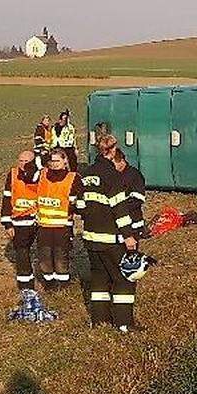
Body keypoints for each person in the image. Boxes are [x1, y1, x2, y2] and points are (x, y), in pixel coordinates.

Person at [79, 138, 148, 330]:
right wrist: (128, 235)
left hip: (91, 238)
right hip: (112, 239)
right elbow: (120, 210)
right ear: (112, 151)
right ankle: (124, 324)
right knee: (124, 279)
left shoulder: (86, 174)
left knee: (99, 279)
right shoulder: (112, 176)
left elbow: (79, 205)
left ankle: (100, 321)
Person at [35, 148, 83, 291]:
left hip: (63, 226)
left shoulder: (73, 178)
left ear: (65, 161)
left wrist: (73, 209)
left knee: (61, 257)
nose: (54, 164)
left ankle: (63, 287)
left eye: (57, 160)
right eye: (52, 161)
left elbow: (80, 201)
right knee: (45, 257)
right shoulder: (42, 175)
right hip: (43, 226)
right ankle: (49, 286)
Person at [1, 149, 42, 290]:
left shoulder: (40, 174)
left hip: (38, 220)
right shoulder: (12, 174)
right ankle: (26, 286)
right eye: (21, 161)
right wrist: (7, 224)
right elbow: (6, 198)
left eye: (27, 161)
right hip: (19, 221)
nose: (23, 164)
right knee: (22, 253)